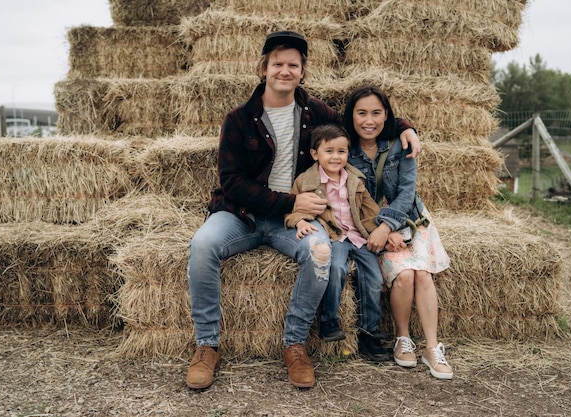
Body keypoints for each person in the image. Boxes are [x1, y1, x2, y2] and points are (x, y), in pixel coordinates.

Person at [185, 32, 421, 390]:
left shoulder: (317, 113)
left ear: (303, 71)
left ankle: (294, 345)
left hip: (294, 223)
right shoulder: (239, 119)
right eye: (277, 64)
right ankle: (206, 346)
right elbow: (232, 182)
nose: (285, 70)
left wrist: (405, 128)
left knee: (321, 252)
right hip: (242, 213)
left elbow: (363, 121)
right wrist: (290, 202)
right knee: (202, 245)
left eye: (292, 65)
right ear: (263, 68)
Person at [343, 84, 454, 380]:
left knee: (422, 274)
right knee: (405, 275)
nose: (369, 120)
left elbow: (407, 192)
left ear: (387, 115)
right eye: (362, 113)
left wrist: (388, 225)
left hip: (409, 220)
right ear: (351, 116)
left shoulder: (400, 145)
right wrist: (377, 229)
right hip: (368, 225)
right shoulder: (344, 150)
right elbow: (349, 199)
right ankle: (403, 338)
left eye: (377, 113)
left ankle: (432, 348)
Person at [285, 124, 389, 362]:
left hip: (358, 237)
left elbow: (370, 211)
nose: (335, 157)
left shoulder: (355, 180)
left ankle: (369, 331)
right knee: (336, 269)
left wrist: (383, 231)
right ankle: (329, 321)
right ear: (315, 154)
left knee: (374, 277)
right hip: (335, 236)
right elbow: (292, 211)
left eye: (341, 151)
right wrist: (300, 222)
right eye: (329, 151)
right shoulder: (305, 181)